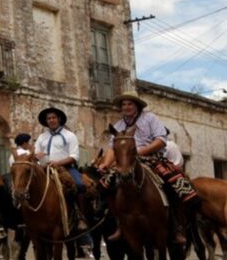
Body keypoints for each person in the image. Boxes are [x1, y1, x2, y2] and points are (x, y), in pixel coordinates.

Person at [98, 91, 199, 245]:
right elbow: (113, 149)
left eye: (130, 104)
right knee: (104, 186)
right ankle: (120, 224)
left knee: (175, 185)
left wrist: (138, 152)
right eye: (124, 104)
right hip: (126, 161)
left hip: (151, 158)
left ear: (137, 105)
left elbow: (160, 140)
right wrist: (105, 163)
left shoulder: (150, 118)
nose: (126, 107)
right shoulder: (118, 125)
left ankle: (177, 227)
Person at [34, 107, 88, 231]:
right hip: (44, 169)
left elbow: (74, 156)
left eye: (53, 118)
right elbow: (36, 153)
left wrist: (57, 163)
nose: (51, 120)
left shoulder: (70, 136)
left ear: (59, 119)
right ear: (46, 121)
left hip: (66, 168)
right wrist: (37, 156)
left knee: (79, 185)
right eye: (49, 118)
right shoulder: (42, 137)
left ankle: (81, 216)